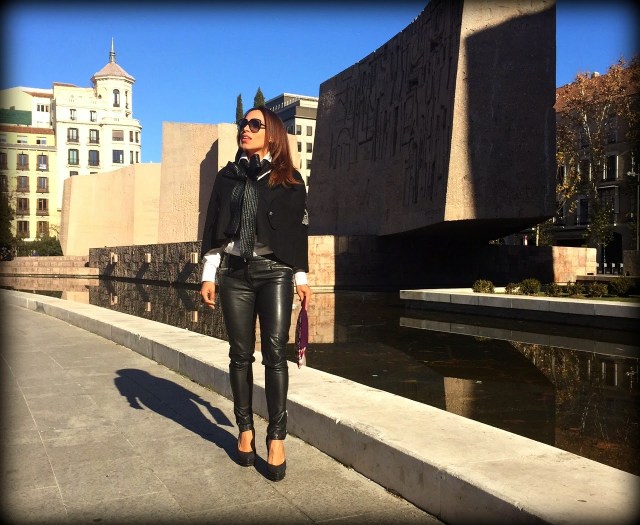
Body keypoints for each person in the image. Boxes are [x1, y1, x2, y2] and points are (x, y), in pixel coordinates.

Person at [200, 106, 312, 481]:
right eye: (242, 124)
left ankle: (276, 437)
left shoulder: (289, 179)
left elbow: (296, 232)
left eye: (254, 124)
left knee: (275, 353)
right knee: (240, 354)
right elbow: (214, 225)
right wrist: (209, 274)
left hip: (274, 272)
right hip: (234, 273)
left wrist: (301, 277)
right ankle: (245, 428)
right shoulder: (227, 176)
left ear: (271, 133)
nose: (245, 129)